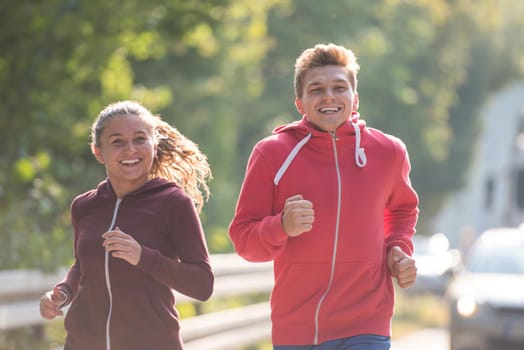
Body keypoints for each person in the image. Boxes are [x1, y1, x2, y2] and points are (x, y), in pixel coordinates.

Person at [229, 43, 419, 350]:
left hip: (367, 322)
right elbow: (243, 239)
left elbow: (402, 210)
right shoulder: (272, 153)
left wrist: (397, 248)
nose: (328, 96)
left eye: (339, 87)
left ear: (354, 99)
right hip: (299, 329)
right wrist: (281, 227)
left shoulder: (388, 152)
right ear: (300, 103)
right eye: (316, 89)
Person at [39, 100, 214, 350]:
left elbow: (202, 284)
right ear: (98, 152)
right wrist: (64, 293)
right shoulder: (84, 206)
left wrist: (142, 256)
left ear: (154, 145)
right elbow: (83, 266)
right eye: (117, 141)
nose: (130, 149)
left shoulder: (173, 203)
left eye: (140, 139)